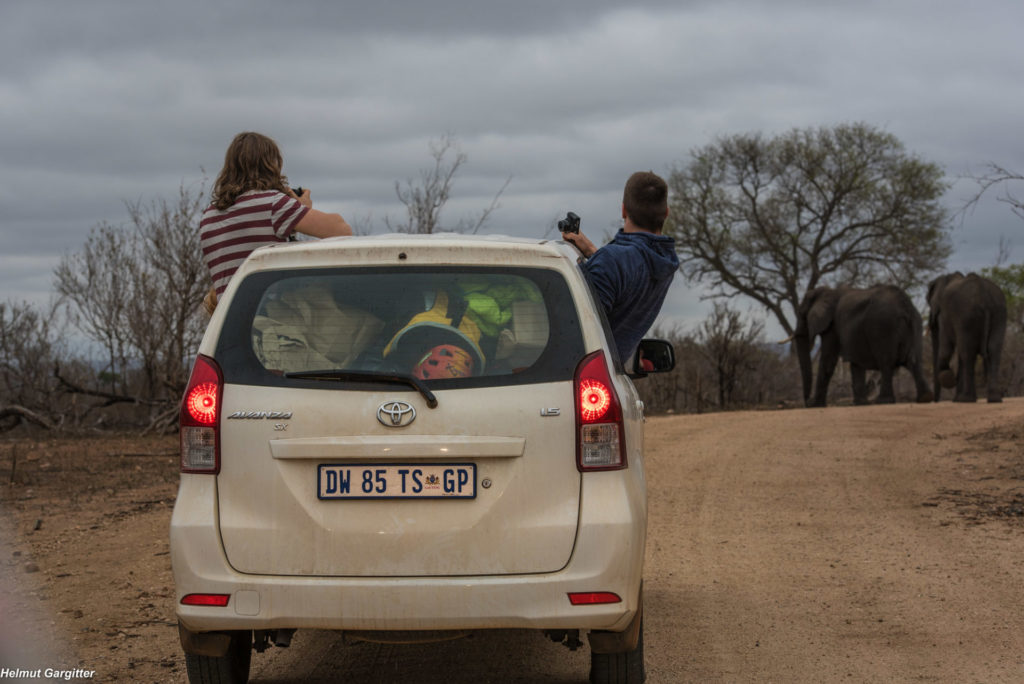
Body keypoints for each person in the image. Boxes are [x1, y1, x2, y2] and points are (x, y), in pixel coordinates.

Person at [200, 132, 353, 306]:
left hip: (227, 320)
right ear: (271, 165)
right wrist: (302, 208)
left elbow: (250, 238)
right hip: (266, 319)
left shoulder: (208, 217)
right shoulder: (273, 204)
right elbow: (341, 229)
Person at [561, 171, 679, 364]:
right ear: (666, 212)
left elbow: (578, 328)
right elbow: (631, 270)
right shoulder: (663, 261)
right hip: (612, 370)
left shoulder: (613, 261)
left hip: (576, 372)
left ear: (623, 210)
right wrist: (593, 252)